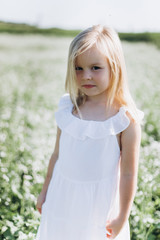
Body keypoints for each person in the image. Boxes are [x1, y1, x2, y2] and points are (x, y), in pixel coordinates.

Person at [35, 24, 144, 240]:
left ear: (115, 68)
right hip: (62, 199)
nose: (86, 76)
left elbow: (129, 173)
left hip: (98, 208)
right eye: (78, 68)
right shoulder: (70, 108)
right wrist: (44, 192)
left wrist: (122, 216)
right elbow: (56, 156)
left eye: (95, 68)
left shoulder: (124, 120)